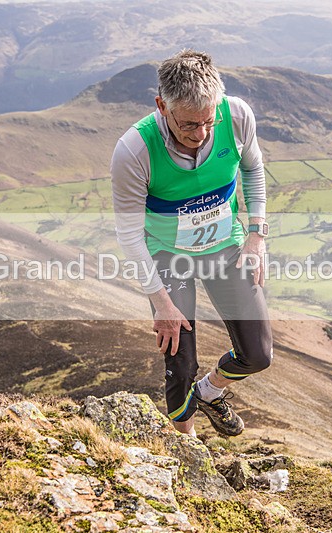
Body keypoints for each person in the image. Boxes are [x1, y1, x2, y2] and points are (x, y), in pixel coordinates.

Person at [110, 49, 273, 437]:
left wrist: (256, 234)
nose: (199, 134)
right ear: (161, 106)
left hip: (225, 247)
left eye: (207, 121)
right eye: (187, 124)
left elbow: (253, 169)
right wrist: (160, 301)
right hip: (169, 257)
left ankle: (212, 390)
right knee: (180, 362)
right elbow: (130, 235)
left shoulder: (236, 117)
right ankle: (188, 450)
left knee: (258, 354)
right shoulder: (134, 151)